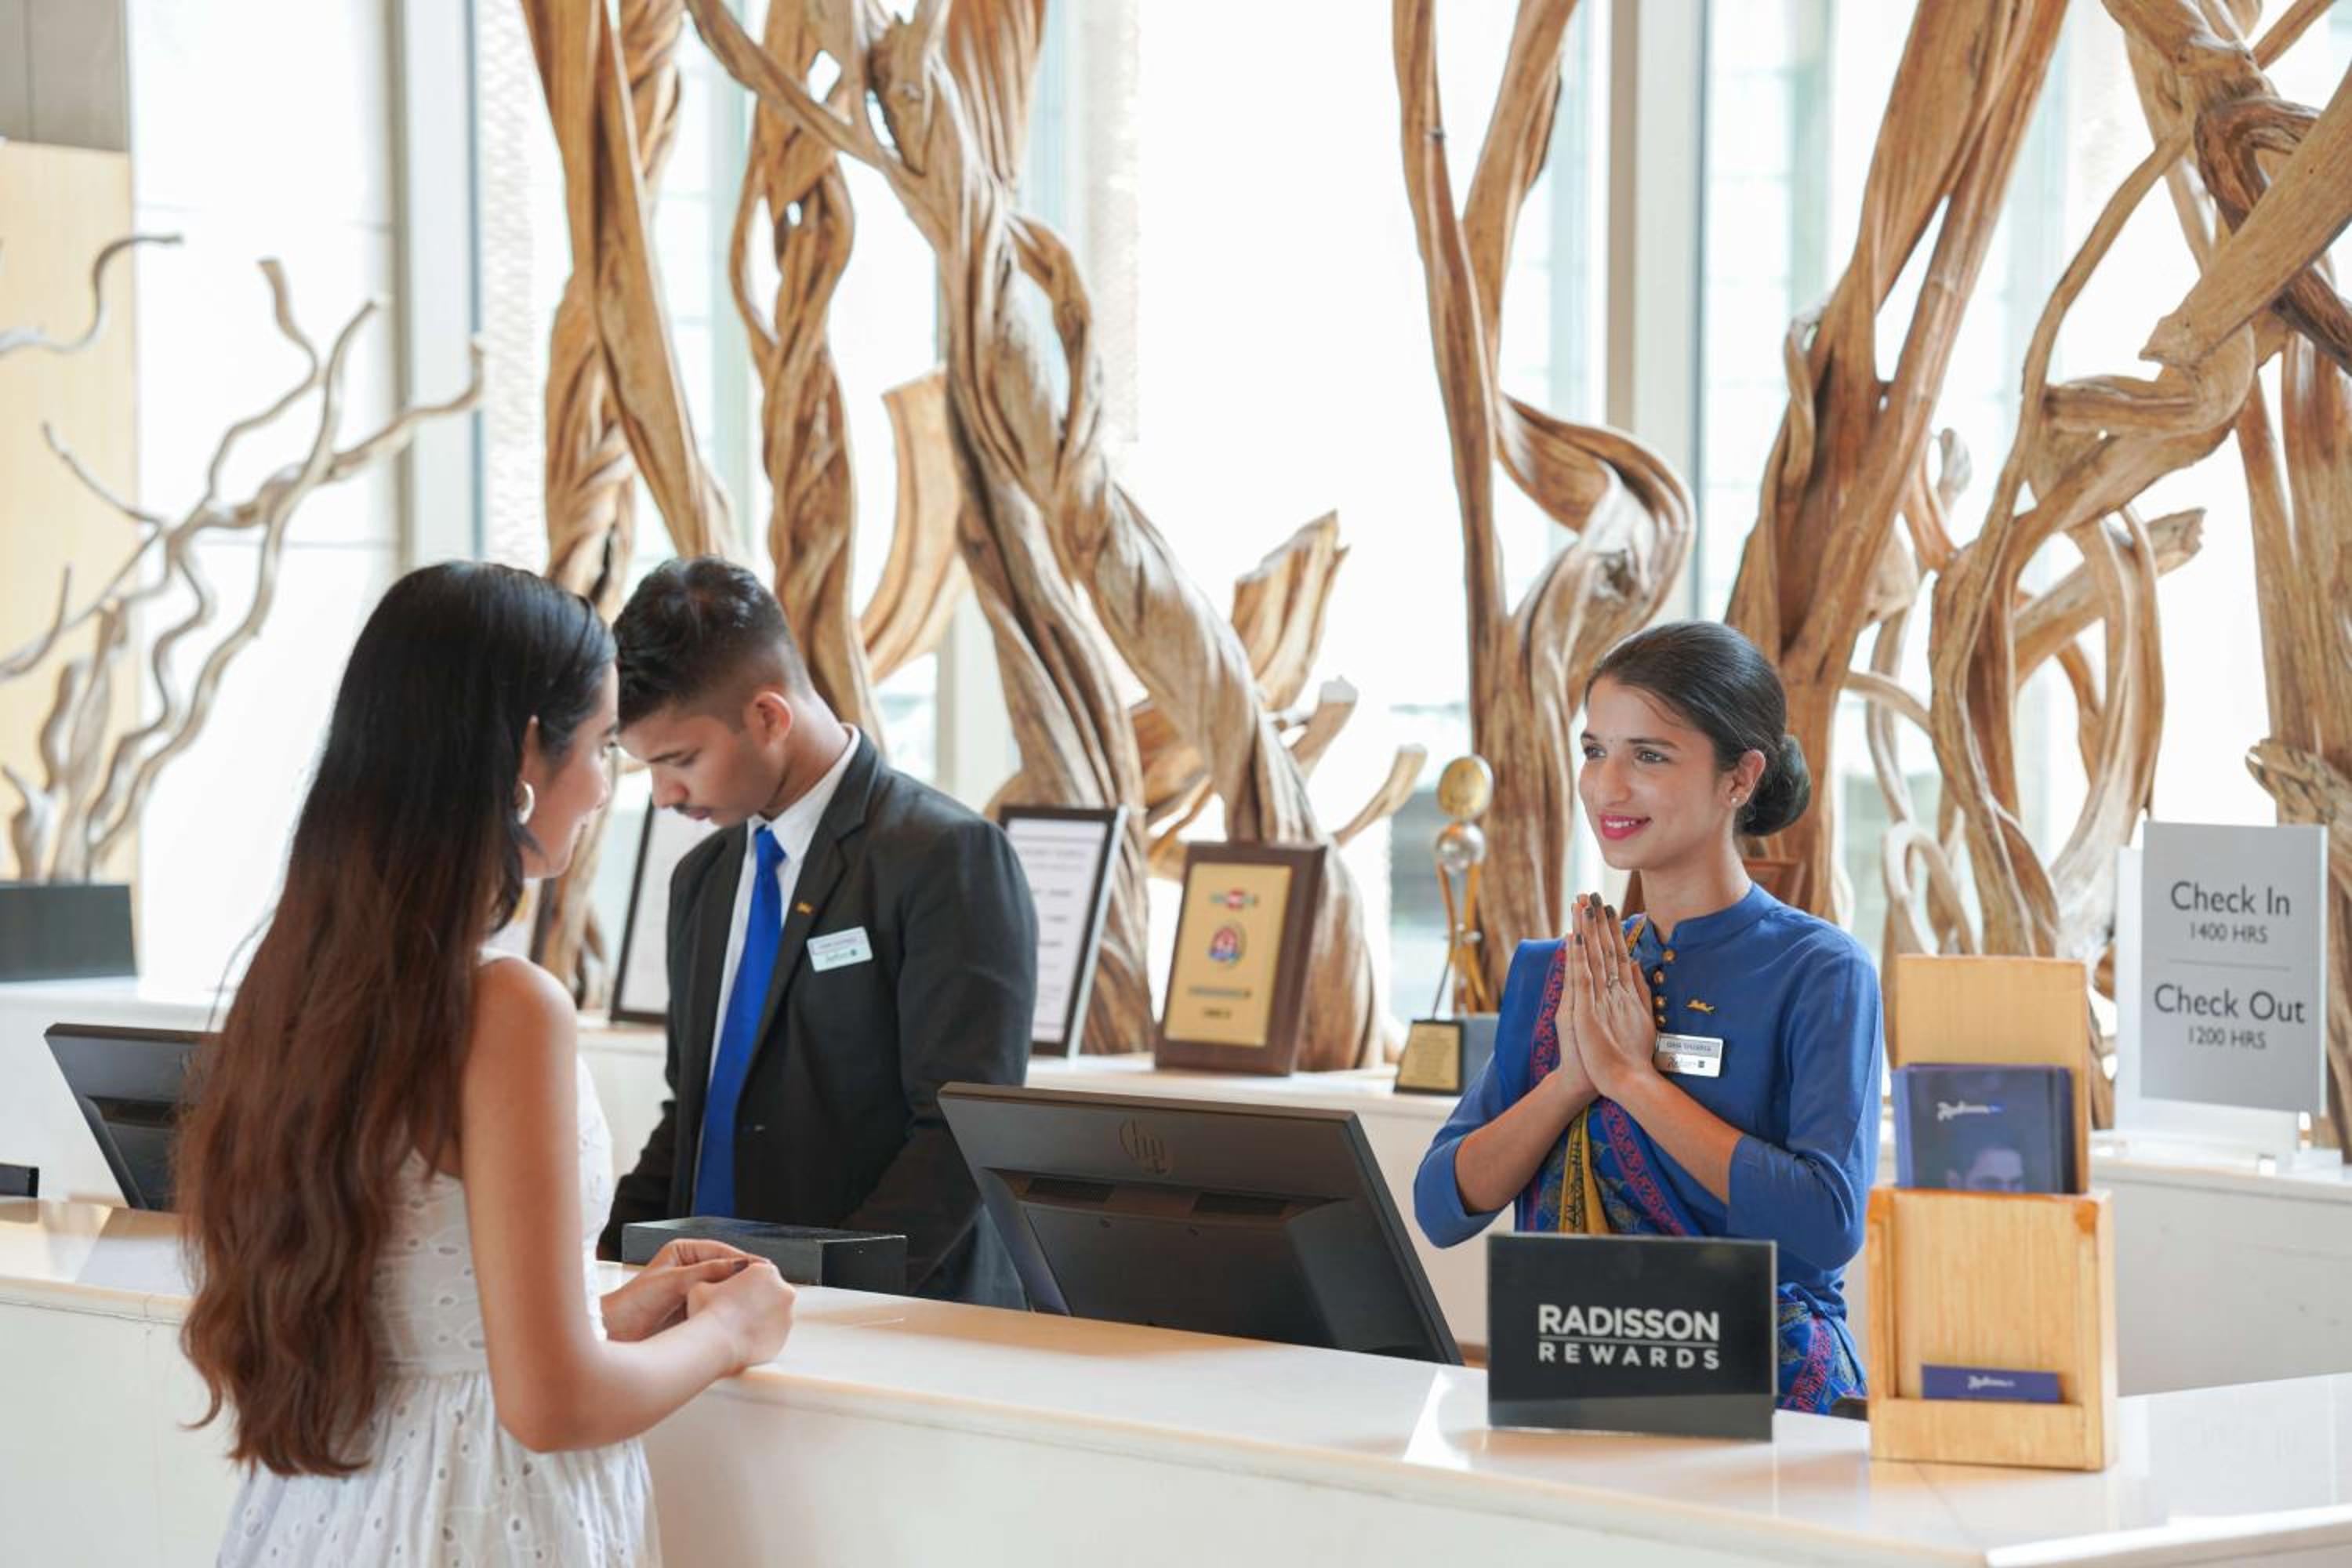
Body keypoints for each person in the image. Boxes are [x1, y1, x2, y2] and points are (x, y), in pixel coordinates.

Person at [178, 563, 795, 1566]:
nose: (605, 786)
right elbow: (554, 1404)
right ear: (525, 755)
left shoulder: (295, 983)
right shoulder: (507, 1007)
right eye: (601, 745)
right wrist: (730, 1331)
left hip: (327, 1514)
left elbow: (423, 1324)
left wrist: (611, 1313)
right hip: (473, 1514)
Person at [1414, 619, 1882, 1413]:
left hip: (1769, 1408)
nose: (1608, 787)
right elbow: (1440, 1206)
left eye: (1650, 756)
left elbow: (1826, 1223)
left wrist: (1633, 1081)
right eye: (1596, 750)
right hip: (1575, 1383)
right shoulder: (1557, 972)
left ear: (1740, 777)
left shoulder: (1820, 971)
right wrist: (1571, 1080)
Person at [598, 557, 1037, 1308]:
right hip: (714, 1319)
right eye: (649, 770)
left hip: (889, 1321)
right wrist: (606, 1265)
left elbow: (963, 1133)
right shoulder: (701, 878)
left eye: (681, 761)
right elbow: (694, 1110)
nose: (666, 796)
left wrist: (829, 1301)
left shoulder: (945, 856)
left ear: (769, 717)